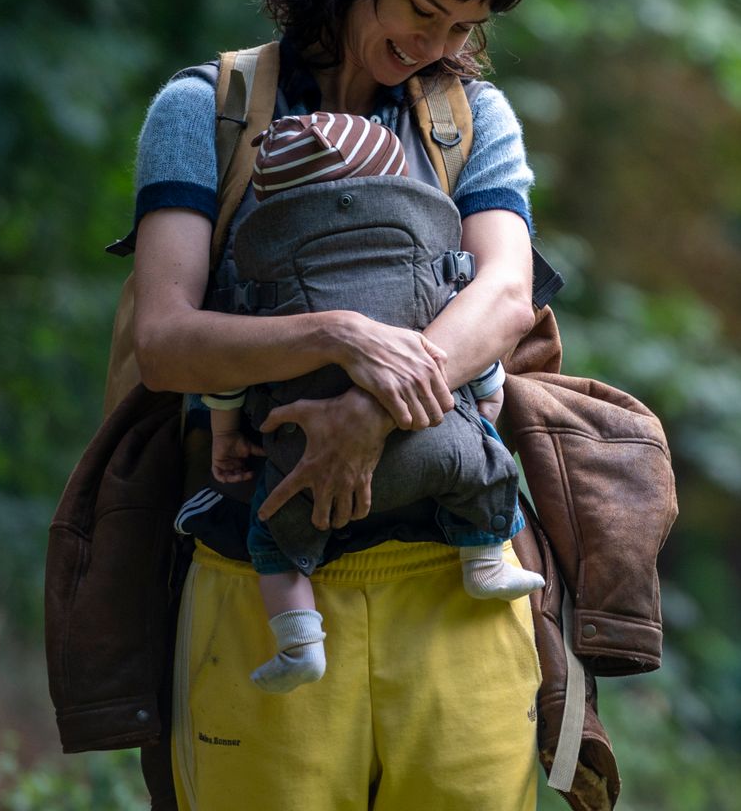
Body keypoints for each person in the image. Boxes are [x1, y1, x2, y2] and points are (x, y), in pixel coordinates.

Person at [128, 0, 546, 809]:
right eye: (421, 11)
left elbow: (503, 300)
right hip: (259, 573)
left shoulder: (469, 119)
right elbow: (165, 341)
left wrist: (372, 412)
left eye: (464, 26)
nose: (438, 46)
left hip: (458, 583)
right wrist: (340, 338)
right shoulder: (209, 110)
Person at [203, 110, 543, 695]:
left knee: (268, 537)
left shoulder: (257, 281)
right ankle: (485, 559)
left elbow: (225, 378)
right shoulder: (429, 260)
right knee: (486, 461)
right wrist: (483, 404)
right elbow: (483, 344)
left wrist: (224, 433)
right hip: (441, 444)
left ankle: (300, 641)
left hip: (300, 470)